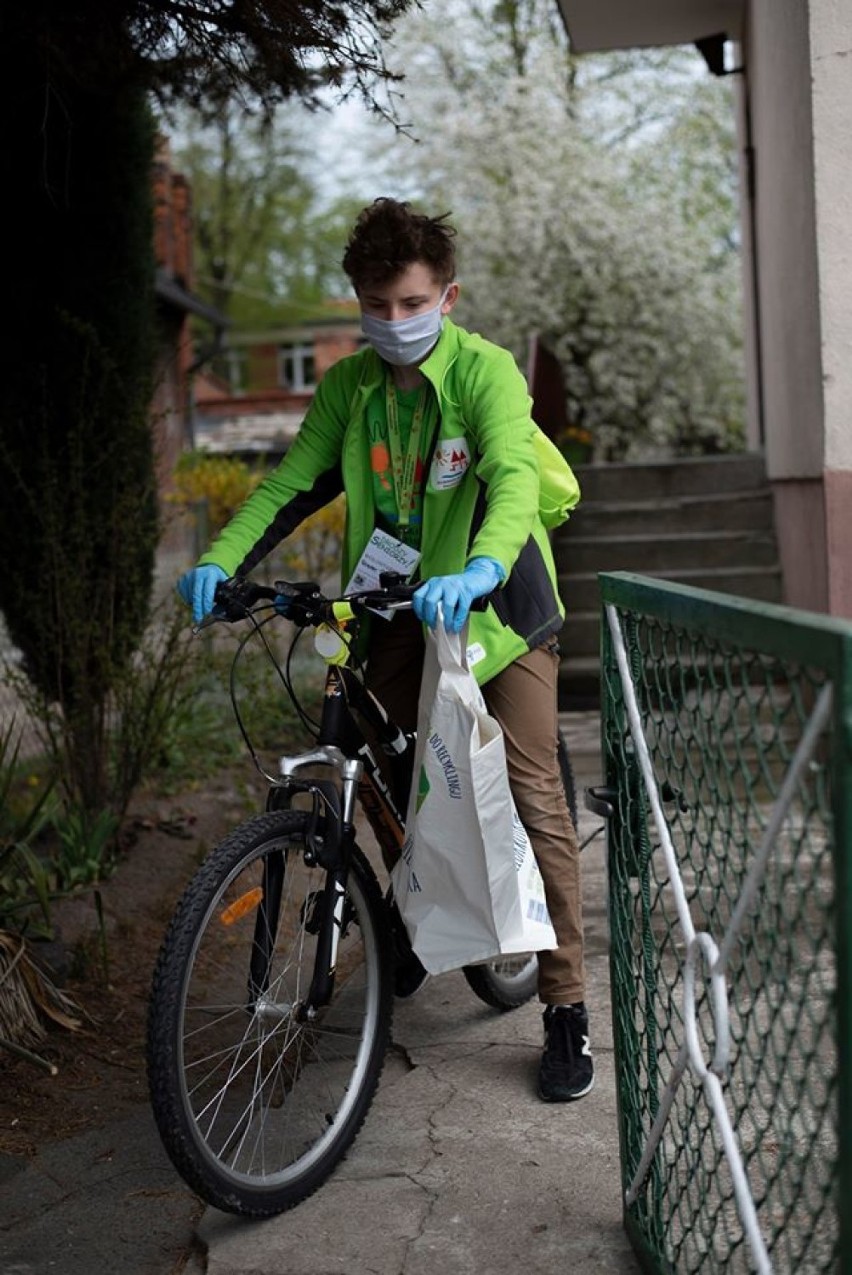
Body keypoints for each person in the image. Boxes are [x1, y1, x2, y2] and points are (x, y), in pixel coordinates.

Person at [177, 197, 593, 1103]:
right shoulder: (349, 389)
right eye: (377, 304)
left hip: (494, 605)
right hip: (398, 601)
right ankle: (415, 920)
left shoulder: (485, 373)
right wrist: (219, 560)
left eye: (411, 302)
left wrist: (482, 564)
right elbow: (291, 483)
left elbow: (515, 478)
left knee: (531, 793)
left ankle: (564, 1005)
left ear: (448, 295)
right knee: (385, 765)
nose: (394, 321)